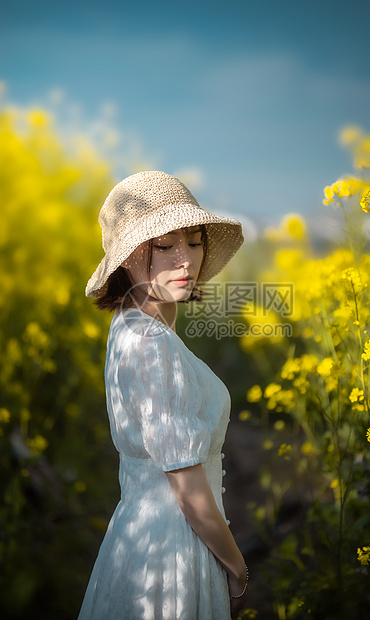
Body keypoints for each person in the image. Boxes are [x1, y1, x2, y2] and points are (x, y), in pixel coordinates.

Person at [78, 170, 248, 620]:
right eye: (165, 245)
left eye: (193, 241)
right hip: (171, 552)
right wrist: (236, 567)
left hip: (147, 538)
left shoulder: (133, 326)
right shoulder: (150, 343)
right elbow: (187, 486)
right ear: (132, 255)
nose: (186, 259)